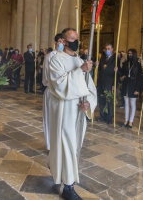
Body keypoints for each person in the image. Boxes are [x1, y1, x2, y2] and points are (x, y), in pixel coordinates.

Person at [47, 27, 97, 200]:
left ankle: (58, 169)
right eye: (71, 39)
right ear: (63, 40)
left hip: (78, 111)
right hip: (64, 110)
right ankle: (68, 186)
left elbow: (90, 88)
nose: (75, 42)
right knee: (66, 144)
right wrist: (80, 70)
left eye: (77, 39)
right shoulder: (56, 60)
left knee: (74, 146)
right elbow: (60, 85)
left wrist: (88, 102)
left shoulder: (80, 60)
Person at [42, 34, 64, 150]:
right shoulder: (50, 56)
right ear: (55, 43)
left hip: (63, 93)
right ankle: (50, 145)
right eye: (59, 41)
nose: (61, 43)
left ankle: (60, 144)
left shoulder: (67, 56)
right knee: (50, 119)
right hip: (51, 90)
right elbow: (46, 75)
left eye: (63, 41)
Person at [96, 43, 119, 125]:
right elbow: (100, 70)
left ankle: (109, 117)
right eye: (106, 49)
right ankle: (103, 116)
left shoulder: (115, 59)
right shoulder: (102, 57)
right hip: (102, 82)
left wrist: (114, 84)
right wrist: (97, 66)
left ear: (112, 49)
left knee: (109, 101)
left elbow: (117, 73)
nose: (107, 50)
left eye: (109, 49)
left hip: (110, 82)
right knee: (101, 100)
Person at [120, 49, 142, 129]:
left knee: (132, 104)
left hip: (134, 85)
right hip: (126, 84)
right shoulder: (125, 63)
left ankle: (131, 121)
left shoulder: (138, 65)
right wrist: (121, 76)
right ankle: (125, 120)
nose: (129, 55)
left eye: (131, 54)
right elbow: (122, 73)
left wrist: (138, 89)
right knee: (126, 103)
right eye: (128, 53)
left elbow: (139, 78)